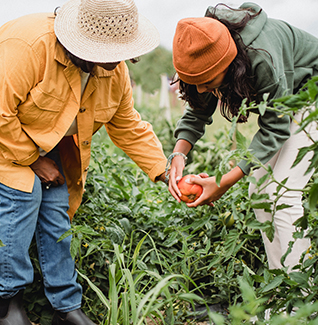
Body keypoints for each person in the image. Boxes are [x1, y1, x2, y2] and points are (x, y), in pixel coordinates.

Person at [0, 0, 168, 324]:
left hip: (47, 144)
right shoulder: (29, 47)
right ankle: (8, 304)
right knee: (23, 196)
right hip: (6, 139)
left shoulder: (113, 71)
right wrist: (34, 162)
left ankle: (66, 307)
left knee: (56, 212)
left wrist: (164, 172)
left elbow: (128, 125)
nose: (117, 61)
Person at [168, 2, 318, 272]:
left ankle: (300, 300)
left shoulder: (262, 58)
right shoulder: (205, 47)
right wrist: (179, 154)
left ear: (229, 63)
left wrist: (223, 182)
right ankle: (282, 292)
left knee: (281, 193)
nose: (201, 88)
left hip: (311, 96)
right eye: (195, 82)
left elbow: (275, 128)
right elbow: (197, 111)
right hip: (290, 102)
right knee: (259, 191)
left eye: (208, 81)